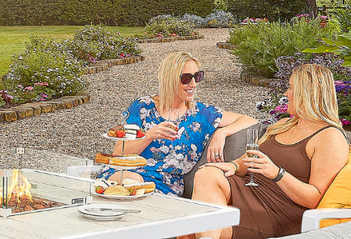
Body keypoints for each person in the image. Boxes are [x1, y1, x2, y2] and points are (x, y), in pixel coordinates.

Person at [174, 63, 350, 239]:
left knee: (196, 224)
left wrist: (277, 174)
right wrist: (233, 165)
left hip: (279, 212)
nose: (285, 94)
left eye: (290, 88)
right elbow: (251, 159)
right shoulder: (283, 125)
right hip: (251, 193)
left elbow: (314, 199)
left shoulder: (330, 137)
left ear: (308, 93)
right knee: (206, 179)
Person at [103, 51, 257, 198]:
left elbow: (250, 120)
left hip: (163, 185)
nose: (193, 84)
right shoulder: (142, 107)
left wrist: (221, 133)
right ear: (169, 79)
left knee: (131, 186)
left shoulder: (202, 114)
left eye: (197, 77)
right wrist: (149, 136)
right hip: (125, 174)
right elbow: (118, 153)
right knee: (125, 181)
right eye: (186, 78)